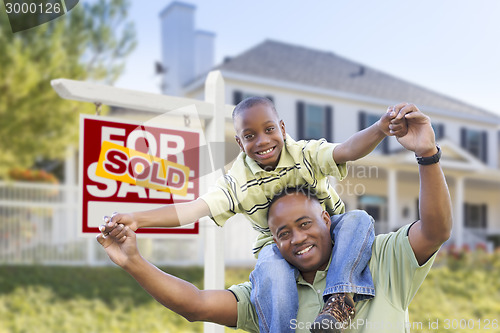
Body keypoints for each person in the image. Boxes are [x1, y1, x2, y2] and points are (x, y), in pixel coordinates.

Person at [97, 104, 452, 333]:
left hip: (345, 234)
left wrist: (396, 137)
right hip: (270, 257)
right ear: (239, 142)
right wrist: (137, 231)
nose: (297, 237)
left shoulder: (381, 260)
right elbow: (193, 218)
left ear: (282, 127)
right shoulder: (240, 189)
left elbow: (347, 150)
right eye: (250, 136)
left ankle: (340, 298)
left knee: (358, 218)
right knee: (270, 265)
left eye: (305, 224)